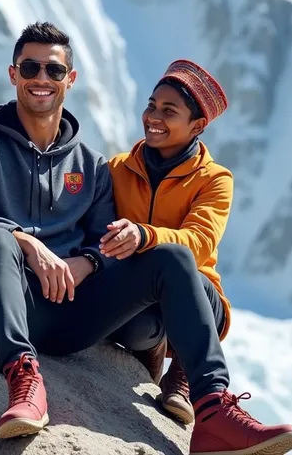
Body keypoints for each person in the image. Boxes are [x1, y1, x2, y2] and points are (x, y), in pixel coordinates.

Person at [0, 24, 292, 454]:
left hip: (65, 314)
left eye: (54, 68)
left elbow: (103, 239)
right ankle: (23, 380)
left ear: (71, 78)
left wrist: (87, 261)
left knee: (174, 259)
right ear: (14, 75)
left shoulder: (91, 164)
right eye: (31, 67)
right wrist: (25, 243)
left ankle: (213, 410)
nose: (42, 78)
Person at [106, 60, 232, 425]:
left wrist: (145, 235)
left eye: (168, 111)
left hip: (199, 297)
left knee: (188, 273)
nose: (153, 117)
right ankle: (154, 348)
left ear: (197, 126)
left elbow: (200, 241)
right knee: (137, 330)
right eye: (151, 106)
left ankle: (184, 374)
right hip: (135, 296)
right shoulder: (117, 168)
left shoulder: (215, 180)